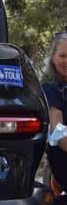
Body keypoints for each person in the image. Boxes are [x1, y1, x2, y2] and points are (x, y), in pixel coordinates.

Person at [42, 32, 67, 190]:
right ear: (53, 58)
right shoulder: (51, 89)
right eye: (62, 56)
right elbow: (58, 133)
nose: (66, 61)